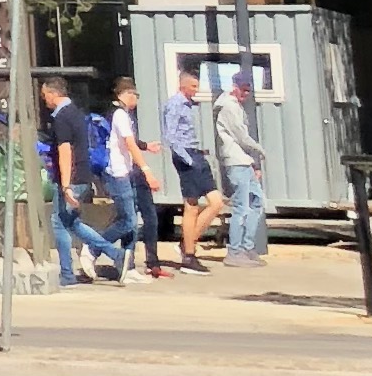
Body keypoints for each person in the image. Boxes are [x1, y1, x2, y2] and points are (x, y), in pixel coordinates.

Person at [42, 79, 120, 284]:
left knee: (59, 223)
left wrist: (66, 185)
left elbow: (65, 151)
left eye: (45, 95)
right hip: (83, 175)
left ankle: (67, 274)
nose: (44, 100)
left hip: (72, 178)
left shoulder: (62, 117)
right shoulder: (76, 113)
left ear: (53, 94)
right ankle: (116, 254)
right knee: (73, 223)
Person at [160, 56, 223, 270]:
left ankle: (187, 242)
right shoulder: (175, 104)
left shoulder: (188, 105)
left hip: (195, 154)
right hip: (187, 158)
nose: (197, 90)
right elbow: (171, 136)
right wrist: (188, 159)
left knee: (216, 202)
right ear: (183, 85)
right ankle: (189, 255)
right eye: (193, 86)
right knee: (191, 206)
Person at [102, 76, 164, 281]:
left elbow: (129, 142)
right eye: (135, 95)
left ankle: (127, 267)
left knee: (130, 220)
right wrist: (147, 171)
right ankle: (93, 247)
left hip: (126, 172)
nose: (136, 99)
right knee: (128, 221)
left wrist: (145, 146)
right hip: (118, 173)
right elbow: (129, 144)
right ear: (125, 94)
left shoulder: (123, 114)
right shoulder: (120, 114)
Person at [214, 61, 268, 262]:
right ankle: (235, 251)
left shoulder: (237, 106)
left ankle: (247, 247)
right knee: (241, 207)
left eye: (248, 90)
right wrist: (260, 150)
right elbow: (241, 136)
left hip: (244, 161)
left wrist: (253, 163)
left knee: (257, 202)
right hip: (235, 161)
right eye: (243, 89)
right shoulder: (229, 106)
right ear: (234, 87)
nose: (246, 93)